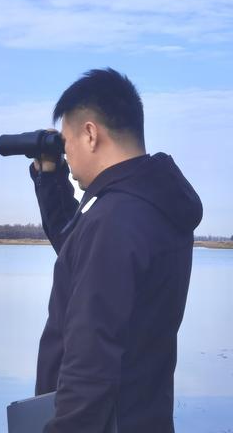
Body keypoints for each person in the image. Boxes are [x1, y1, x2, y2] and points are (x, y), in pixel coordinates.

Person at [29, 68, 202, 432]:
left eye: (67, 142)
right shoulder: (151, 204)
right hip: (144, 415)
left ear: (90, 134)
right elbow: (77, 252)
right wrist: (50, 177)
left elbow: (91, 364)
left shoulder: (115, 219)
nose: (67, 154)